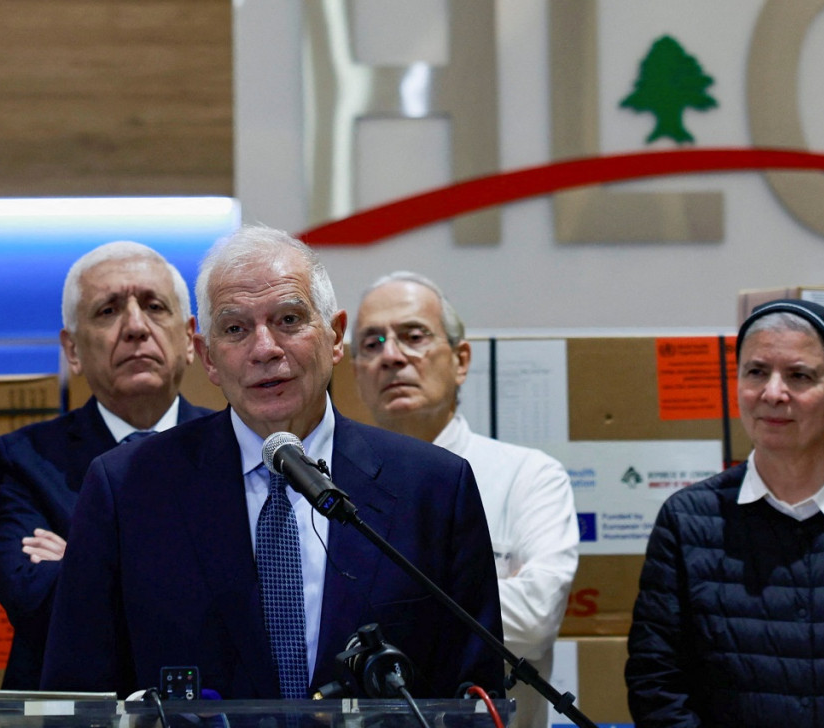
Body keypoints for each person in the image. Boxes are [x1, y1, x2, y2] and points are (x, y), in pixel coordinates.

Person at [41, 225, 502, 698]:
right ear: (208, 356)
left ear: (335, 336)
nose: (265, 349)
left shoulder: (434, 487)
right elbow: (79, 693)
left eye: (288, 319)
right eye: (236, 328)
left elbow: (474, 690)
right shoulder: (128, 489)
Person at [626, 299, 824, 727]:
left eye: (799, 375)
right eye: (756, 372)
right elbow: (656, 683)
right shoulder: (687, 522)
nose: (773, 393)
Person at [352, 272, 578, 728]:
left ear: (460, 359)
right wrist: (478, 600)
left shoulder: (528, 476)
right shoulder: (331, 489)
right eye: (371, 344)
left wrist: (374, 615)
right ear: (355, 369)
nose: (391, 356)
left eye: (413, 336)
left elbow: (535, 619)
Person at [0, 241, 213, 689]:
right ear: (72, 349)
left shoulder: (237, 449)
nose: (135, 327)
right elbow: (37, 604)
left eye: (154, 306)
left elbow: (257, 603)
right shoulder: (21, 460)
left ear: (189, 338)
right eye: (108, 311)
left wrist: (82, 562)